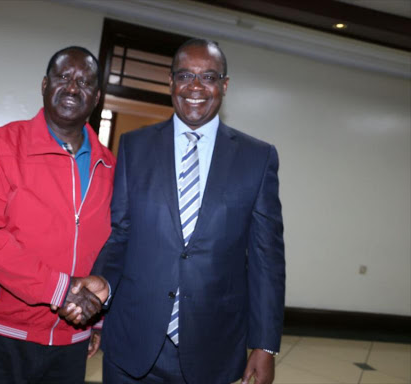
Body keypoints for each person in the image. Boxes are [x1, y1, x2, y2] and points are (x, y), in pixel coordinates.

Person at [71, 38, 286, 384]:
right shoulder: (134, 147)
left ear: (224, 85)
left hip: (212, 348)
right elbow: (121, 233)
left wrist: (264, 345)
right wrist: (104, 283)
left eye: (209, 77)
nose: (196, 87)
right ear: (170, 82)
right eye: (185, 75)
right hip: (132, 343)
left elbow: (267, 259)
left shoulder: (257, 159)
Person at [0, 46, 115, 384]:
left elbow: (111, 245)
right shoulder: (1, 145)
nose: (73, 88)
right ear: (44, 85)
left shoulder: (110, 166)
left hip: (71, 342)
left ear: (97, 96)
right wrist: (60, 289)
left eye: (85, 82)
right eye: (63, 77)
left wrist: (97, 318)